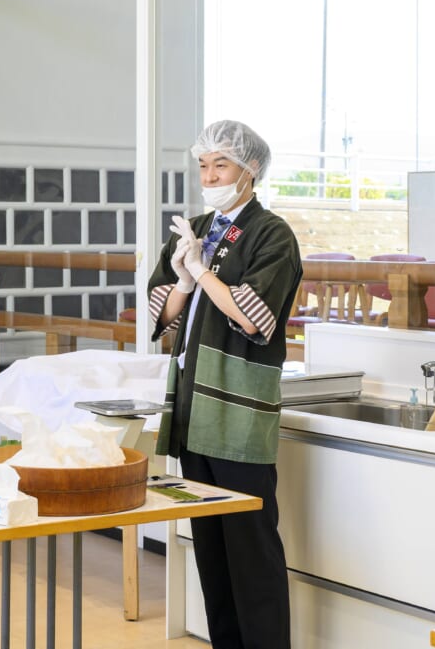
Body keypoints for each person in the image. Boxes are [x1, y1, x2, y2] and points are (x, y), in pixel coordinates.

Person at [147, 119, 301, 649]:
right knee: (210, 546)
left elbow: (253, 316)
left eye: (222, 165)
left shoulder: (271, 233)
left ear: (250, 170)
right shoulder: (196, 228)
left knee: (250, 544)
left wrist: (203, 272)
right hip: (194, 406)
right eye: (203, 165)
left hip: (237, 407)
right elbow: (162, 315)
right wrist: (183, 279)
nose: (209, 176)